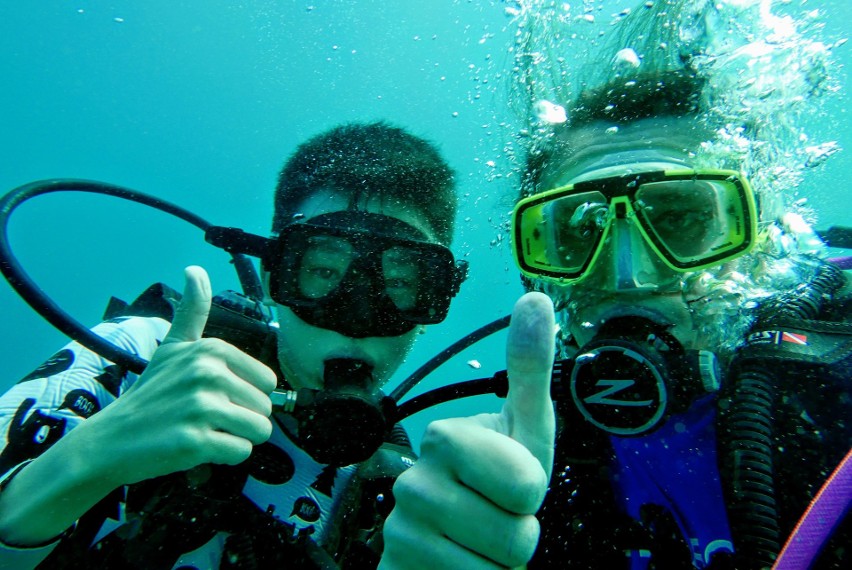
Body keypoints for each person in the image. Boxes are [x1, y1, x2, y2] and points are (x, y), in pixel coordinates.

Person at [382, 1, 850, 568]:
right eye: (581, 231)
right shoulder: (522, 465)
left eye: (679, 218)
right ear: (538, 263)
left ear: (759, 238)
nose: (629, 275)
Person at [0, 120, 486, 569]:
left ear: (437, 295)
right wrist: (84, 461)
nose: (356, 320)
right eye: (321, 271)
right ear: (276, 273)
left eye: (401, 282)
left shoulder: (399, 498)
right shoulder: (140, 357)